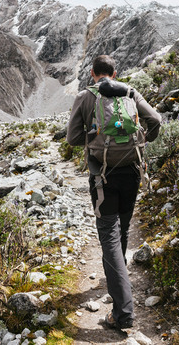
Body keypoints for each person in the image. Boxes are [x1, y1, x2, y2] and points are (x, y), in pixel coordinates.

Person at [66, 54, 161, 329]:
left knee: (108, 233)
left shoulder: (85, 96)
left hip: (103, 176)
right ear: (115, 73)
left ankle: (123, 313)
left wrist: (94, 137)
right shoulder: (131, 92)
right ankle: (118, 283)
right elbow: (155, 120)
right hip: (132, 171)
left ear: (93, 73)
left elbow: (72, 138)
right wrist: (144, 141)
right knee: (122, 230)